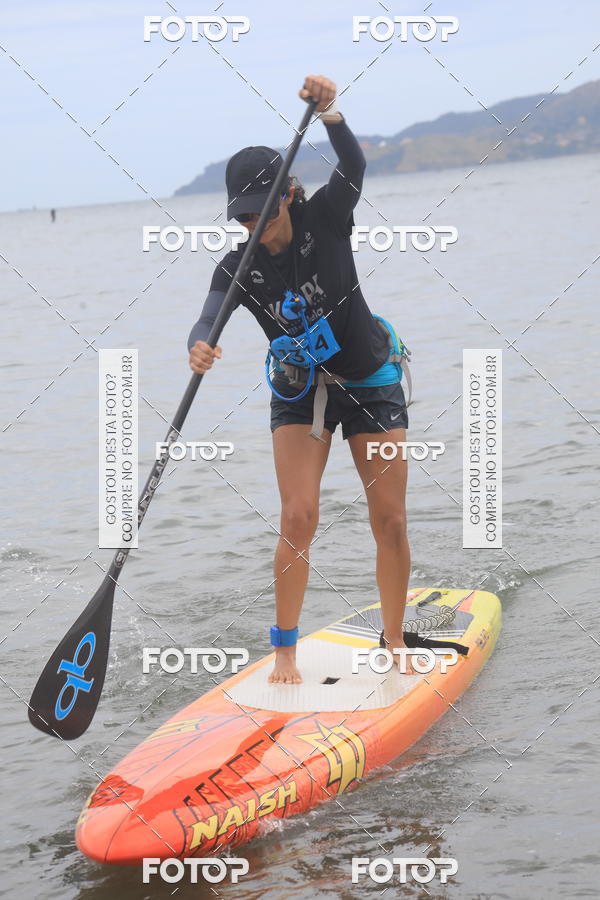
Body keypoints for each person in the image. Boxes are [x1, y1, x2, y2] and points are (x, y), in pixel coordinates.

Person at [188, 75, 413, 683]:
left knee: (390, 519)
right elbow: (208, 318)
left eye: (262, 210)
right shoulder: (238, 266)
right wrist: (198, 346)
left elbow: (354, 165)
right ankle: (284, 651)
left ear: (288, 193)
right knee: (297, 516)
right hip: (299, 391)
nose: (253, 223)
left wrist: (331, 114)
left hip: (369, 380)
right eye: (242, 215)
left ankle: (394, 640)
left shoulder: (327, 216)